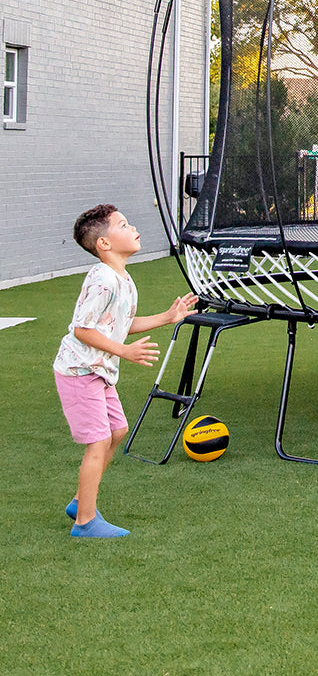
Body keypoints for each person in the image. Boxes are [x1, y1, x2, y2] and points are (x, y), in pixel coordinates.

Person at [53, 205, 196, 538]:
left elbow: (118, 324)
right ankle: (85, 522)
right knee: (100, 440)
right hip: (79, 370)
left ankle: (79, 501)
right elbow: (83, 330)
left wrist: (166, 317)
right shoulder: (104, 279)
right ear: (104, 243)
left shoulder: (122, 279)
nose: (133, 228)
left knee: (117, 430)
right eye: (123, 224)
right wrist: (124, 352)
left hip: (98, 370)